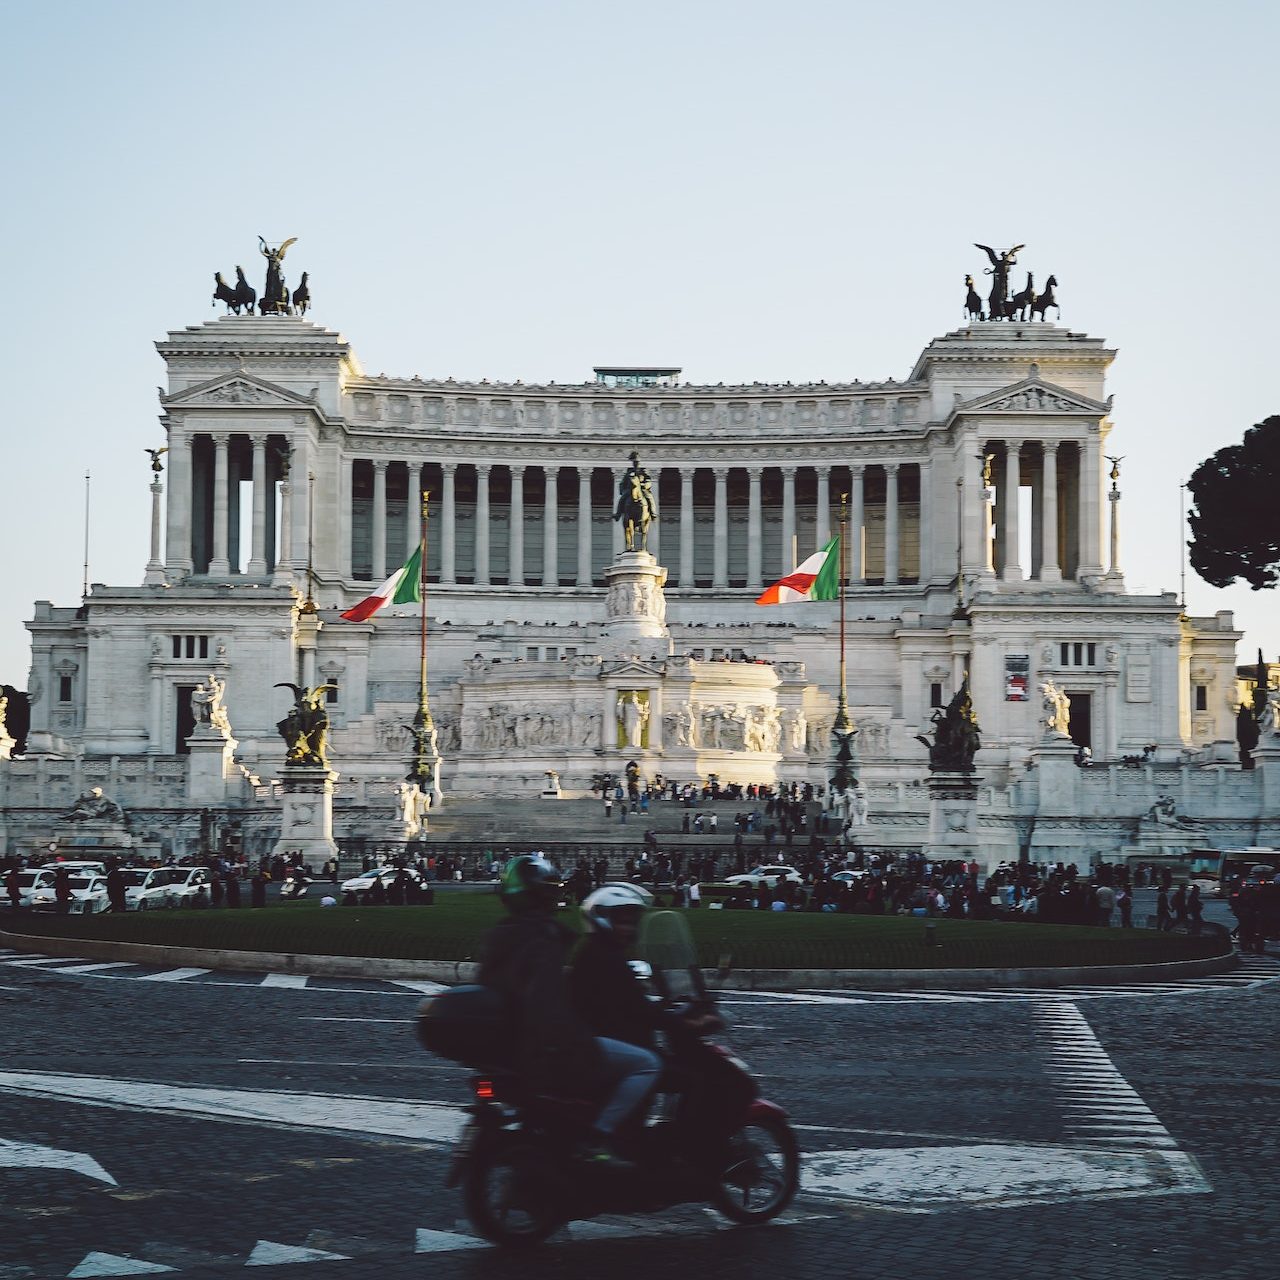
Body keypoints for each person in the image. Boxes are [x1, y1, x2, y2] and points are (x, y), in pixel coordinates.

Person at [479, 854, 657, 1168]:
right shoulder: (545, 939)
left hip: (509, 1045)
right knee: (647, 1064)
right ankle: (599, 1137)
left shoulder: (502, 934)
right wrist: (574, 1039)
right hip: (548, 1049)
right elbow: (547, 1005)